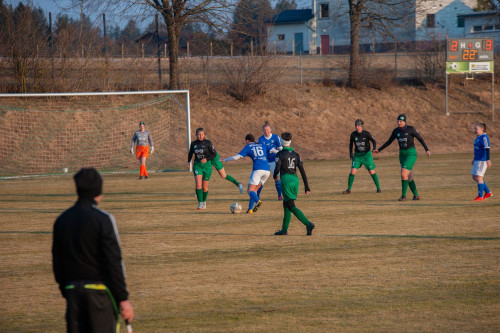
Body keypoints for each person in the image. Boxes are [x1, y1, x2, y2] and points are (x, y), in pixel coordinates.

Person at [52, 168, 134, 333]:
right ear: (99, 190)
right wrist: (123, 298)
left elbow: (57, 261)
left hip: (72, 293)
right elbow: (113, 261)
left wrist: (65, 289)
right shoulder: (103, 219)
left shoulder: (61, 220)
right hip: (99, 295)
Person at [373, 114, 430, 201]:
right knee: (409, 177)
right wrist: (379, 150)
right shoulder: (396, 131)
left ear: (404, 121)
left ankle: (403, 196)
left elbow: (420, 139)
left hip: (411, 153)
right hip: (402, 154)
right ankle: (416, 195)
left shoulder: (411, 129)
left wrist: (427, 149)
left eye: (401, 121)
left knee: (403, 174)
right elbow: (389, 141)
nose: (399, 123)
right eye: (398, 121)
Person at [187, 128, 243, 210]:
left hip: (213, 157)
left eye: (202, 134)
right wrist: (188, 161)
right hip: (200, 163)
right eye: (199, 134)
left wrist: (207, 158)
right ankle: (200, 202)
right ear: (196, 135)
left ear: (204, 135)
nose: (200, 136)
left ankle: (238, 184)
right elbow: (191, 152)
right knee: (199, 184)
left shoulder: (208, 143)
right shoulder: (194, 144)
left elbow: (213, 153)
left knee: (223, 175)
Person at [273, 132, 315, 236]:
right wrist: (306, 186)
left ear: (282, 142)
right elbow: (302, 170)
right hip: (295, 180)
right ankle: (284, 230)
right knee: (286, 204)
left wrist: (274, 176)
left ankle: (308, 224)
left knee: (291, 205)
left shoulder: (280, 154)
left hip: (286, 180)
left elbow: (277, 168)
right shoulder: (296, 155)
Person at [223, 134, 274, 214]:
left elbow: (237, 157)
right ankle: (250, 209)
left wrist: (225, 160)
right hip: (267, 171)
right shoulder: (262, 145)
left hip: (258, 170)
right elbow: (274, 150)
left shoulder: (249, 146)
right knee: (255, 190)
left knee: (250, 190)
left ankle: (258, 201)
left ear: (247, 140)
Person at [343, 119, 381, 194]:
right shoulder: (353, 134)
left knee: (371, 171)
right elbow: (351, 145)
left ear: (361, 126)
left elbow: (374, 141)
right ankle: (349, 189)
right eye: (356, 126)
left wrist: (373, 149)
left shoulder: (367, 134)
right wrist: (351, 155)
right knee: (353, 171)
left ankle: (378, 188)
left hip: (367, 155)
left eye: (358, 126)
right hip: (357, 155)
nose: (357, 127)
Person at [258, 122, 283, 200]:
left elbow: (280, 148)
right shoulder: (260, 139)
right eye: (264, 130)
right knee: (261, 179)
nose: (266, 131)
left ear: (270, 130)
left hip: (274, 161)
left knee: (277, 177)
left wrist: (280, 155)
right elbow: (259, 150)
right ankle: (257, 196)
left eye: (267, 130)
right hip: (265, 161)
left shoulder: (276, 137)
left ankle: (279, 195)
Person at [471, 122, 493, 201]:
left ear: (482, 129)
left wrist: (488, 159)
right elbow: (477, 149)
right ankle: (487, 192)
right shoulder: (478, 137)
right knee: (474, 177)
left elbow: (487, 148)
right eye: (474, 129)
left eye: (476, 129)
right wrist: (474, 158)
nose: (474, 130)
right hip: (477, 160)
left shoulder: (484, 137)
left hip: (482, 160)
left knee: (479, 177)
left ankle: (480, 196)